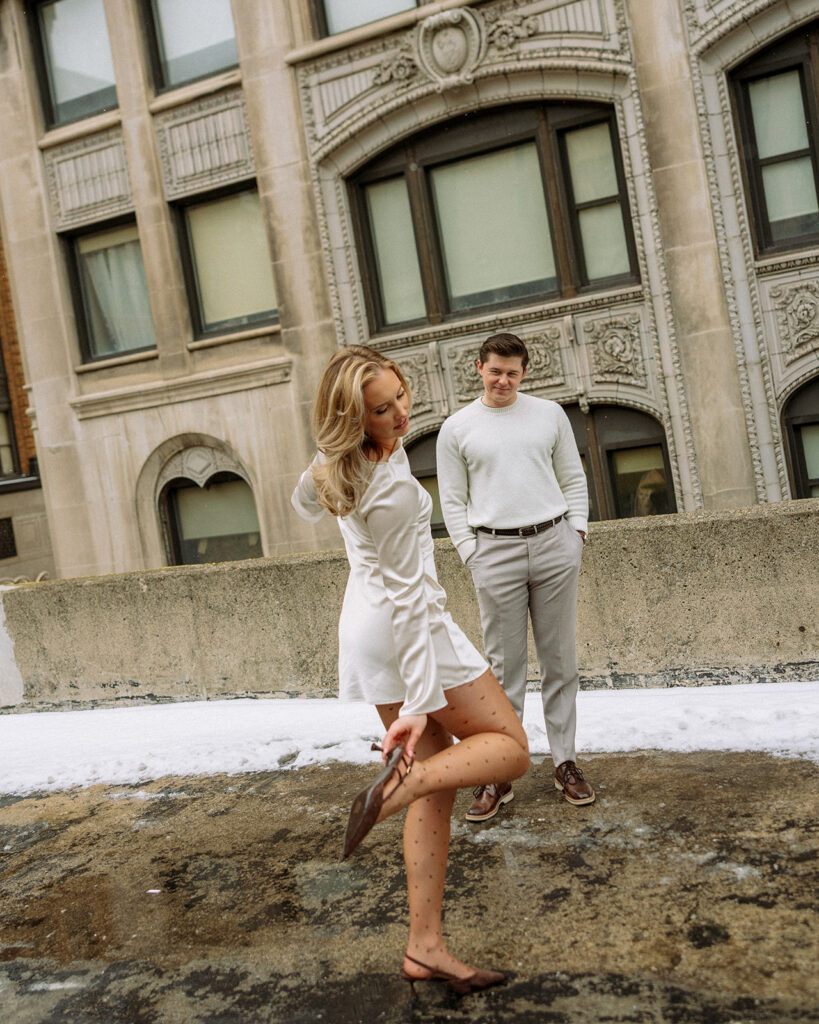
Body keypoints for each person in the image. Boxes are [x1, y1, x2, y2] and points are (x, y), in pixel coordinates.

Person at [291, 345, 529, 993]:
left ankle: (424, 947)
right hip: (408, 627)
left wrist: (331, 456)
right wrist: (422, 703)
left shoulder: (343, 464)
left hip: (368, 624)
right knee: (508, 750)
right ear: (351, 416)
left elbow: (303, 501)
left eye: (399, 395)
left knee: (440, 788)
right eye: (380, 409)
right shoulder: (391, 488)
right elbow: (405, 600)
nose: (400, 414)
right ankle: (400, 785)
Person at [436, 332, 594, 823]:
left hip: (553, 543)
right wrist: (470, 553)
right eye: (495, 370)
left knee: (559, 661)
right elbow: (453, 499)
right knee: (504, 671)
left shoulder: (548, 414)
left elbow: (573, 477)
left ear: (524, 372)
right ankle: (498, 774)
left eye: (513, 372)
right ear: (478, 368)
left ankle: (563, 761)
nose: (503, 380)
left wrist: (578, 533)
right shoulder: (456, 428)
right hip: (494, 551)